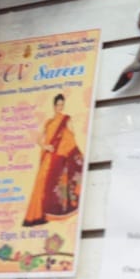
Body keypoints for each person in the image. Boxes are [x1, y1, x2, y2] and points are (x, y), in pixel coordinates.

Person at [22, 94, 84, 227]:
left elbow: (72, 135)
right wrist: (46, 146)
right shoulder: (49, 122)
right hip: (49, 156)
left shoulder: (66, 119)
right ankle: (37, 215)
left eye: (62, 105)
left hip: (60, 156)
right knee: (41, 183)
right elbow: (39, 139)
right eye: (58, 105)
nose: (60, 107)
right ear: (54, 105)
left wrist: (65, 149)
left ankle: (48, 213)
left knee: (54, 183)